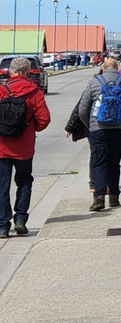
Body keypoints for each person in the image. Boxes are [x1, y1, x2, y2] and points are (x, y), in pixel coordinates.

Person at [77, 57, 121, 211]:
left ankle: (99, 197)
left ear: (103, 68)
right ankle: (114, 197)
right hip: (119, 129)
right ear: (117, 68)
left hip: (97, 129)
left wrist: (90, 125)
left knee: (99, 162)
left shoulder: (93, 82)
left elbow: (82, 109)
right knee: (114, 163)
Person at [0, 57, 52, 237]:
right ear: (28, 72)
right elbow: (44, 119)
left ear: (11, 71)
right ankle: (20, 219)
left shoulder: (1, 91)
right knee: (24, 182)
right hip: (24, 147)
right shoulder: (35, 91)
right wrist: (30, 129)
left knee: (2, 185)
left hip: (2, 146)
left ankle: (3, 226)